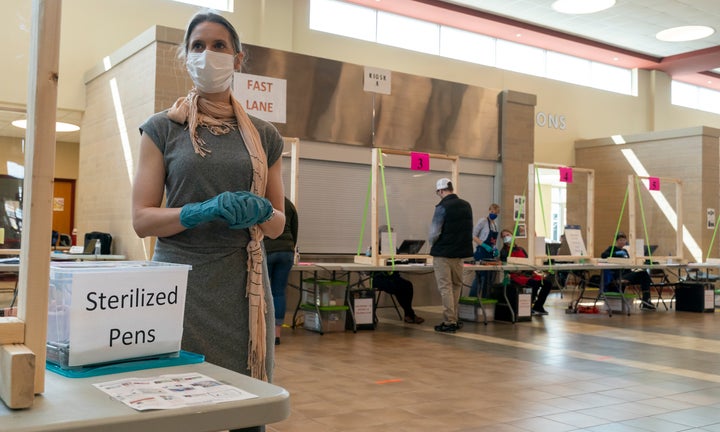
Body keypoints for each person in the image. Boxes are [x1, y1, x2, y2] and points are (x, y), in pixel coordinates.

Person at [132, 11, 286, 431]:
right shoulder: (163, 128)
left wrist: (261, 213)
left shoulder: (264, 135)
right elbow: (142, 220)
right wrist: (200, 210)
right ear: (185, 57)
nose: (208, 54)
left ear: (238, 59)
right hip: (178, 286)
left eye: (219, 46)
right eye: (197, 46)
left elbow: (278, 223)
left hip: (243, 288)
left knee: (245, 407)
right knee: (177, 406)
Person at [429, 178, 474, 333]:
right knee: (456, 286)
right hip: (460, 255)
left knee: (445, 288)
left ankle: (449, 322)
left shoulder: (442, 206)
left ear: (441, 191)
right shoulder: (466, 205)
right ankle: (454, 319)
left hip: (443, 254)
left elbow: (434, 232)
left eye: (438, 193)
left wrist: (432, 243)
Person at [264, 197, 298, 346]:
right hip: (287, 251)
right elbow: (295, 229)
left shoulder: (261, 200)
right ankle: (276, 334)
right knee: (278, 292)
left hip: (268, 250)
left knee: (263, 291)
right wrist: (290, 247)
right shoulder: (288, 204)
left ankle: (263, 331)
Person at [498, 229, 552, 315]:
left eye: (507, 235)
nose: (506, 237)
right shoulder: (504, 251)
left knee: (548, 283)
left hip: (528, 273)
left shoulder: (521, 249)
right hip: (516, 275)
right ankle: (528, 307)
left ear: (513, 236)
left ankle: (538, 306)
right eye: (503, 236)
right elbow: (506, 266)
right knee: (534, 283)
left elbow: (528, 261)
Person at [600, 232, 656, 310]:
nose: (622, 242)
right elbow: (603, 255)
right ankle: (646, 301)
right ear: (617, 241)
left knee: (644, 274)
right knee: (643, 275)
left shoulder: (625, 251)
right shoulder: (612, 248)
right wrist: (616, 253)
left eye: (624, 240)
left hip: (627, 273)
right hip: (619, 275)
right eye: (620, 240)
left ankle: (646, 300)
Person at [470, 203, 500, 297]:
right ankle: (473, 299)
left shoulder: (495, 225)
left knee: (488, 278)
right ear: (489, 210)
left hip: (490, 254)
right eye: (492, 211)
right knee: (479, 277)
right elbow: (473, 236)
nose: (493, 214)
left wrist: (495, 249)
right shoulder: (483, 221)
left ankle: (485, 299)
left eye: (496, 213)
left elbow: (493, 241)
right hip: (481, 252)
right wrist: (483, 245)